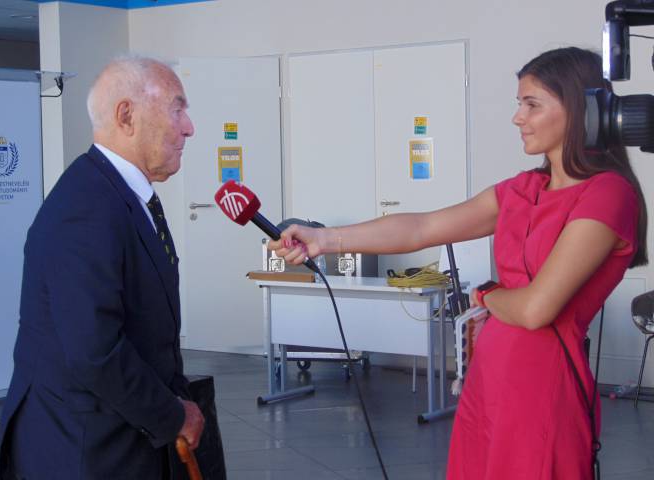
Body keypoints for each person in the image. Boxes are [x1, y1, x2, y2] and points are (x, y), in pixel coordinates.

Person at [268, 47, 648, 479]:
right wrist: (325, 240)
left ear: (583, 110)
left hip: (543, 387)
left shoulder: (608, 194)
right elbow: (422, 227)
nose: (518, 118)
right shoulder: (523, 189)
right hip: (490, 376)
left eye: (532, 104)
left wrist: (486, 295)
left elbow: (535, 309)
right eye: (519, 103)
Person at [0, 56, 204, 479]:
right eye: (177, 109)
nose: (189, 127)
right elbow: (95, 351)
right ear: (126, 116)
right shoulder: (86, 208)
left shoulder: (119, 194)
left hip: (120, 438)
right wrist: (172, 415)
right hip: (85, 452)